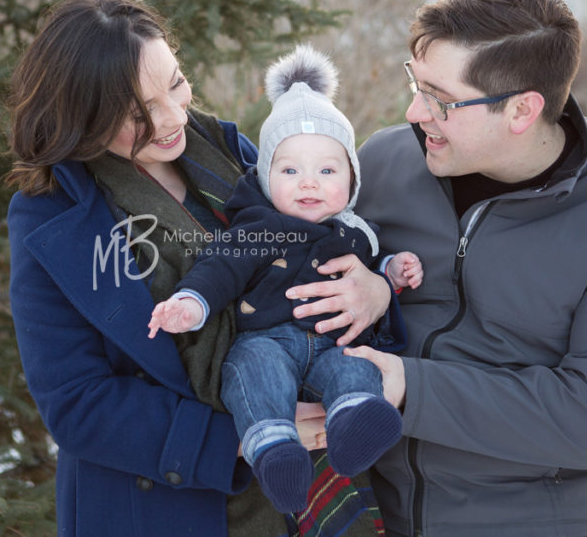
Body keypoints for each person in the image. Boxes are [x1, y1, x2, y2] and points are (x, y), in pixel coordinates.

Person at [4, 0, 402, 536]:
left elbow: (326, 241)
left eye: (175, 84)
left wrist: (376, 292)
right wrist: (240, 437)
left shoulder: (230, 153)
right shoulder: (56, 218)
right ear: (85, 115)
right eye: (136, 113)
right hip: (174, 502)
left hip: (312, 482)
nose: (172, 119)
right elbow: (76, 402)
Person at [345, 0, 587, 536]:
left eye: (441, 100)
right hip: (362, 515)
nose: (413, 113)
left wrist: (409, 386)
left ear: (522, 110)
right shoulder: (382, 163)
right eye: (417, 83)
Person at [147, 44, 422, 514]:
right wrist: (191, 302)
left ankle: (354, 420)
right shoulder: (260, 226)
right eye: (290, 170)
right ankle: (272, 448)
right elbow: (221, 267)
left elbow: (373, 277)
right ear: (267, 176)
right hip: (267, 339)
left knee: (356, 367)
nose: (309, 183)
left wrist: (390, 275)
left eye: (327, 170)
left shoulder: (358, 232)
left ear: (352, 180)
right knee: (255, 374)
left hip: (334, 344)